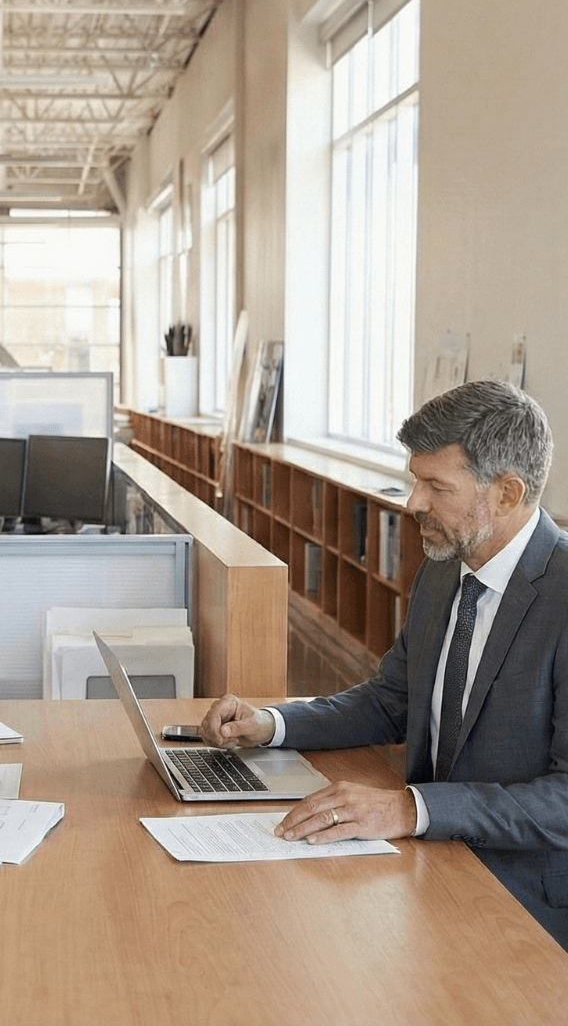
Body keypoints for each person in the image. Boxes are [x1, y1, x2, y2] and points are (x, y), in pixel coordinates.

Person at [199, 379, 568, 949]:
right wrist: (274, 723)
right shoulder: (445, 568)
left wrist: (411, 808)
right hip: (431, 860)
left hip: (525, 901)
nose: (412, 503)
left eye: (435, 486)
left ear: (506, 493)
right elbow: (392, 699)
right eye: (414, 479)